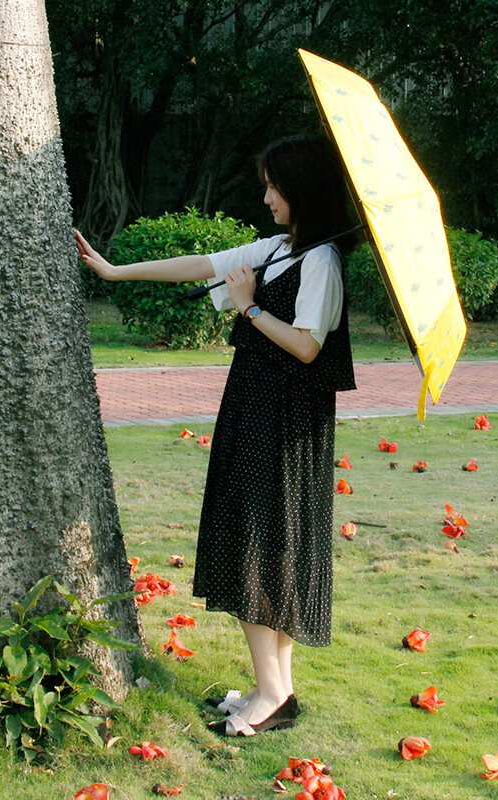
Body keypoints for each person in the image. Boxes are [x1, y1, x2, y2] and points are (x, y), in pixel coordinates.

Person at [75, 134, 357, 737]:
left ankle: (272, 694)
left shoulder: (322, 261)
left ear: (301, 189)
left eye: (274, 187)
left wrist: (249, 308)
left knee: (258, 541)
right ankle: (275, 689)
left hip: (283, 423)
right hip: (254, 410)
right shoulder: (281, 248)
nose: (267, 198)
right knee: (265, 540)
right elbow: (204, 265)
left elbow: (308, 346)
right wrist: (114, 271)